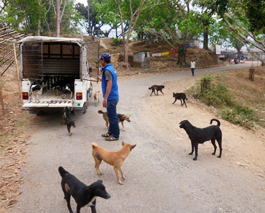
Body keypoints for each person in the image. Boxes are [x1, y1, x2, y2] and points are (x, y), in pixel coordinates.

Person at [99, 53, 120, 141]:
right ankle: (110, 132)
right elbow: (109, 80)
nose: (100, 61)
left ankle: (115, 135)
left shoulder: (107, 70)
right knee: (111, 116)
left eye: (101, 60)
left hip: (111, 98)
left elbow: (109, 85)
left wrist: (105, 99)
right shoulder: (110, 68)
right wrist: (102, 79)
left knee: (112, 117)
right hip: (113, 96)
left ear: (103, 60)